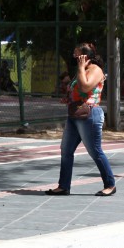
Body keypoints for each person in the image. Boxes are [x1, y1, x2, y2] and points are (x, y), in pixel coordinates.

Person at [46, 42, 116, 196]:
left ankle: (110, 184)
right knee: (66, 150)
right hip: (75, 115)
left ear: (85, 56)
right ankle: (63, 186)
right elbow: (77, 90)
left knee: (95, 151)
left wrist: (80, 67)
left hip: (89, 115)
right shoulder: (82, 70)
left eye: (76, 53)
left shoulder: (95, 69)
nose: (73, 56)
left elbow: (85, 87)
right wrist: (69, 98)